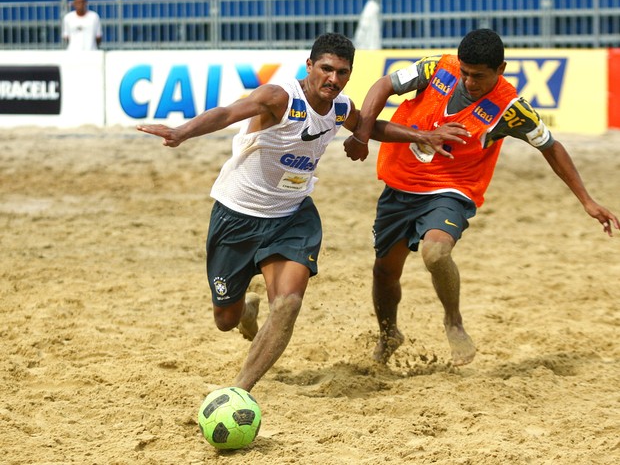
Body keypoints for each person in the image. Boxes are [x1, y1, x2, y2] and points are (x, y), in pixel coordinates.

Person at [137, 33, 469, 392]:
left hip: (293, 217)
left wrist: (421, 135)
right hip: (237, 215)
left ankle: (239, 390)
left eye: (343, 72)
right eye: (327, 69)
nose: (334, 79)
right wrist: (182, 132)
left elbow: (369, 127)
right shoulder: (279, 97)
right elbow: (228, 112)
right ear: (309, 66)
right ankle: (246, 311)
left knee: (287, 303)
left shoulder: (340, 106)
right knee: (225, 319)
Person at [343, 28, 620, 367]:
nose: (469, 81)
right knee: (385, 272)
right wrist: (363, 130)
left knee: (435, 252)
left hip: (452, 190)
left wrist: (587, 201)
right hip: (399, 184)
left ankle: (454, 322)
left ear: (500, 70)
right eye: (465, 72)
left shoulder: (511, 109)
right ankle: (389, 335)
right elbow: (383, 84)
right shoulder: (437, 68)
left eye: (479, 76)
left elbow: (551, 147)